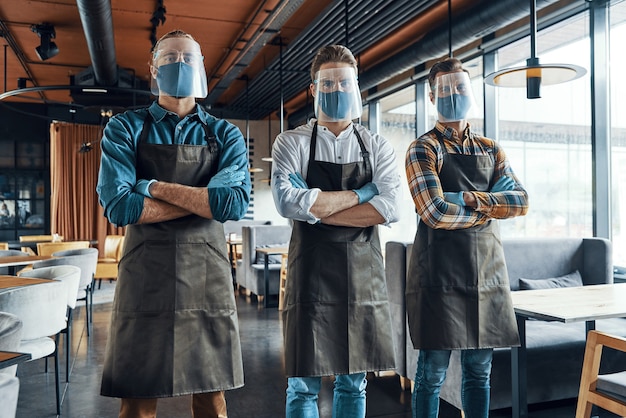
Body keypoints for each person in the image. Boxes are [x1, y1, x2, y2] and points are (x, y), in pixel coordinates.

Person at [96, 30, 251, 418]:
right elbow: (119, 207)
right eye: (169, 58)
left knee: (212, 398)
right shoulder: (124, 128)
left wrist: (153, 187)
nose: (179, 65)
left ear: (201, 69)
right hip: (145, 275)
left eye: (187, 59)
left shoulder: (224, 133)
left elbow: (232, 203)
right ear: (153, 68)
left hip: (208, 277)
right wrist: (202, 201)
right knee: (136, 398)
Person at [271, 44, 401, 418]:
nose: (337, 89)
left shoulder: (376, 145)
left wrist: (316, 208)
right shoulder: (291, 142)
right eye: (327, 83)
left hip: (362, 277)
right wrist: (363, 195)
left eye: (344, 82)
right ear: (313, 89)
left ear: (356, 85)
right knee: (302, 384)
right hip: (309, 275)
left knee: (353, 381)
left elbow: (389, 208)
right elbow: (285, 203)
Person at [404, 57, 529, 418]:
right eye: (445, 89)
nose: (454, 94)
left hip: (487, 277)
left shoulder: (491, 148)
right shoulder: (423, 148)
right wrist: (491, 205)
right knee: (431, 374)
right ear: (431, 98)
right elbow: (434, 212)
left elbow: (521, 202)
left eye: (460, 87)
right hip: (438, 277)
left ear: (470, 91)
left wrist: (471, 198)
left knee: (479, 373)